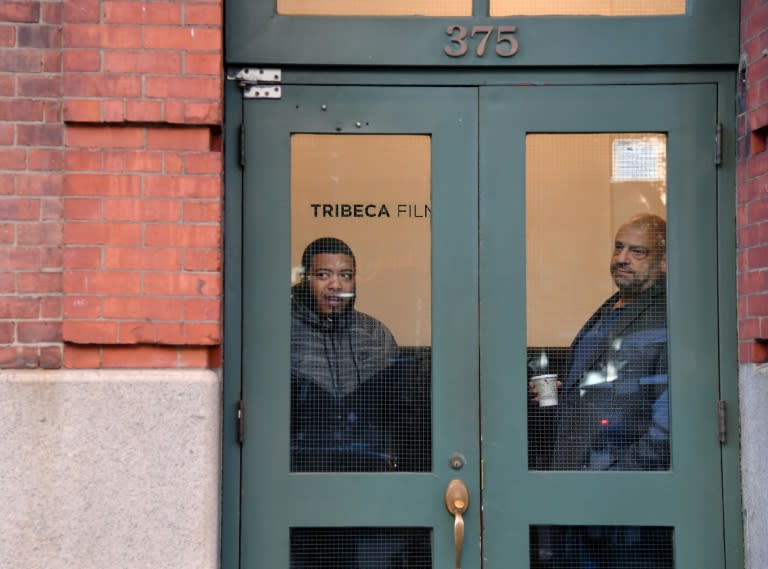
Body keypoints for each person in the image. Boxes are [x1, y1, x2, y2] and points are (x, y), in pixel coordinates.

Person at [534, 213, 671, 568]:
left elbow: (671, 421)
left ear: (665, 261)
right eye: (618, 247)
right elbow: (606, 382)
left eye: (637, 251)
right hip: (577, 489)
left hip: (623, 504)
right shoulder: (613, 306)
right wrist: (562, 392)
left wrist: (613, 477)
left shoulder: (671, 315)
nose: (621, 258)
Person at [290, 237, 431, 568]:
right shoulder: (284, 335)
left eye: (345, 275)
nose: (335, 285)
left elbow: (403, 414)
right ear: (305, 278)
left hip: (367, 482)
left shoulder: (376, 335)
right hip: (302, 481)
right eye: (323, 275)